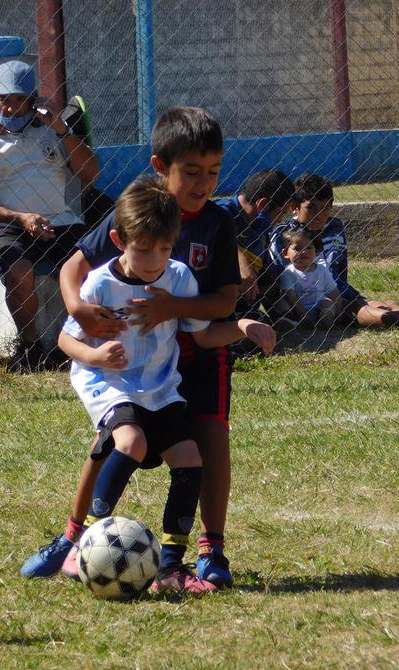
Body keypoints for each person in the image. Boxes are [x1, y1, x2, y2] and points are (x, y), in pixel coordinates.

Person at [21, 107, 249, 589]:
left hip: (196, 354)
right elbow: (73, 267)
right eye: (191, 172)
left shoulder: (217, 223)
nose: (203, 183)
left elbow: (225, 301)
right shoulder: (136, 213)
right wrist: (79, 309)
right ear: (160, 167)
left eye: (213, 172)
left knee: (208, 442)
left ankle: (207, 552)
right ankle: (73, 538)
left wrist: (173, 309)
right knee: (115, 441)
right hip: (130, 365)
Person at [56, 175, 275, 593]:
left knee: (190, 457)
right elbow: (65, 339)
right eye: (144, 249)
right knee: (131, 443)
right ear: (119, 241)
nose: (154, 259)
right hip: (109, 382)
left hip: (159, 387)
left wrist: (242, 326)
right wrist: (95, 356)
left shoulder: (177, 278)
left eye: (164, 248)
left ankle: (172, 566)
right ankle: (86, 541)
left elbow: (202, 336)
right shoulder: (100, 283)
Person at [0, 60, 99, 372]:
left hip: (59, 220)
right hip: (4, 225)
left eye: (19, 99)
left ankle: (80, 342)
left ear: (33, 99)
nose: (10, 107)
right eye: (3, 99)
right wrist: (19, 218)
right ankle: (30, 347)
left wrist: (62, 130)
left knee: (91, 262)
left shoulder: (51, 130)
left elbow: (90, 173)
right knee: (19, 271)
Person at [271, 173, 399, 330]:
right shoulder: (286, 234)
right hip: (311, 298)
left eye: (326, 208)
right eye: (312, 208)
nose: (320, 215)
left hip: (338, 289)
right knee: (360, 308)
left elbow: (336, 269)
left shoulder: (334, 226)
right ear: (295, 207)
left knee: (384, 304)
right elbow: (282, 272)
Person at [215, 168, 295, 317]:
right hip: (213, 306)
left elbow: (265, 278)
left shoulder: (261, 227)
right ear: (263, 204)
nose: (280, 220)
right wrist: (240, 260)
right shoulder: (220, 213)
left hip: (244, 308)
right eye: (281, 213)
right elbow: (210, 238)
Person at [273, 227, 341, 328]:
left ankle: (326, 318)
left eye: (309, 247)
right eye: (298, 248)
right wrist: (303, 315)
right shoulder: (288, 273)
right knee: (281, 303)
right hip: (297, 310)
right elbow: (291, 297)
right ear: (285, 253)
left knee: (327, 302)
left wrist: (338, 311)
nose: (304, 251)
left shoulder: (322, 269)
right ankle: (293, 322)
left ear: (316, 251)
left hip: (319, 308)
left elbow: (334, 292)